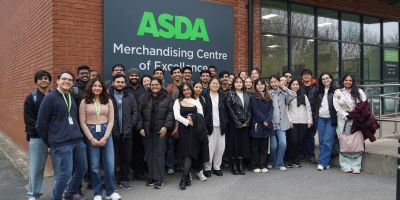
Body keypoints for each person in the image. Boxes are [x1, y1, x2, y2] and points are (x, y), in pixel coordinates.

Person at [36, 71, 87, 200]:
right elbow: (41, 124)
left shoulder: (71, 97)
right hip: (61, 143)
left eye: (70, 80)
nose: (67, 81)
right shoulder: (50, 98)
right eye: (64, 79)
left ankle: (69, 194)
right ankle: (56, 197)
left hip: (77, 141)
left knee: (82, 169)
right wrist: (50, 142)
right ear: (57, 81)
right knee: (66, 173)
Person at [79, 78, 121, 200]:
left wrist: (106, 137)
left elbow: (112, 120)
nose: (97, 88)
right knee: (94, 166)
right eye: (94, 85)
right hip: (91, 132)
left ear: (102, 88)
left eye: (99, 86)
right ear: (90, 87)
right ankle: (97, 193)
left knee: (109, 165)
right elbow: (82, 122)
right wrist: (91, 138)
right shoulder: (84, 102)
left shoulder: (108, 101)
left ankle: (110, 192)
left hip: (106, 132)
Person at [137, 77, 174, 189]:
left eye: (156, 84)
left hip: (161, 131)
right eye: (152, 85)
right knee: (149, 154)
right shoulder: (143, 97)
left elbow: (170, 113)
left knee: (159, 154)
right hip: (147, 131)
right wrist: (140, 128)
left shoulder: (167, 97)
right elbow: (138, 114)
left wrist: (166, 127)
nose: (154, 86)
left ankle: (159, 179)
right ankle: (152, 177)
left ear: (161, 85)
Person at [24, 70, 52, 200]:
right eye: (40, 79)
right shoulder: (31, 98)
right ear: (36, 81)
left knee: (60, 168)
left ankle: (59, 192)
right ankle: (33, 194)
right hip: (37, 138)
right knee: (36, 169)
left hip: (55, 138)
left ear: (50, 80)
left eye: (46, 78)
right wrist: (43, 132)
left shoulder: (55, 96)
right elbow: (29, 120)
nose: (43, 80)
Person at [173, 83, 205, 190]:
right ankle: (186, 177)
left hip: (194, 131)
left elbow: (201, 116)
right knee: (185, 152)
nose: (186, 91)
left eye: (188, 89)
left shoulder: (197, 102)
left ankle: (184, 177)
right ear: (182, 91)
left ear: (191, 90)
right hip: (183, 131)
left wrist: (194, 119)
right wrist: (188, 122)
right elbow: (176, 116)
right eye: (184, 90)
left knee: (189, 153)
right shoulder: (177, 101)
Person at [109, 74, 138, 190]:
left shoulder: (129, 96)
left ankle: (123, 179)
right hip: (112, 133)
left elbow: (135, 112)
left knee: (126, 158)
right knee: (112, 158)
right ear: (113, 83)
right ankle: (111, 181)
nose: (120, 84)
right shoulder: (107, 96)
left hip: (127, 133)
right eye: (118, 82)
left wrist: (130, 127)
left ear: (125, 84)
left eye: (122, 82)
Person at [333, 74, 367, 174]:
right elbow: (336, 106)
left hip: (357, 121)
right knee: (345, 142)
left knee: (357, 142)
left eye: (350, 80)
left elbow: (364, 104)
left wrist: (355, 115)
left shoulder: (359, 91)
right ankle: (345, 165)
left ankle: (356, 165)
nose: (348, 82)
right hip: (344, 120)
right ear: (343, 81)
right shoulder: (338, 92)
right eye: (346, 80)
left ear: (353, 81)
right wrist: (346, 115)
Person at [268, 75, 296, 171]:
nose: (273, 84)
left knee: (283, 143)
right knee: (273, 145)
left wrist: (283, 87)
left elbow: (294, 95)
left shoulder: (284, 94)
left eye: (275, 81)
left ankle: (279, 163)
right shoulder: (268, 94)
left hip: (281, 123)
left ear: (279, 82)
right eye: (271, 82)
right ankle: (271, 161)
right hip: (271, 123)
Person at [226, 76, 251, 175]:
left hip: (245, 124)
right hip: (234, 124)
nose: (239, 84)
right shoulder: (230, 94)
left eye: (240, 82)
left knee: (243, 145)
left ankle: (240, 165)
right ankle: (234, 166)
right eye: (236, 82)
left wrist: (247, 122)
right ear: (233, 84)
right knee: (234, 145)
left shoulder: (247, 95)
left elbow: (249, 110)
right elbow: (230, 110)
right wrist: (238, 123)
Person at [203, 78, 228, 177]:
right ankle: (207, 168)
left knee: (220, 148)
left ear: (219, 85)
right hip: (210, 125)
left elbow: (226, 110)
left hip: (221, 125)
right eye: (213, 83)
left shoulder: (223, 96)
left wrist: (225, 122)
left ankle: (217, 167)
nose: (215, 85)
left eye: (217, 83)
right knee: (210, 148)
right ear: (209, 85)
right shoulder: (204, 95)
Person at [126, 68, 147, 181]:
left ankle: (139, 172)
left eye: (136, 75)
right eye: (132, 75)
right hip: (127, 123)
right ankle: (128, 172)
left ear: (139, 77)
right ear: (128, 77)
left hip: (140, 123)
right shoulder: (125, 89)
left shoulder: (143, 89)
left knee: (139, 149)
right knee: (128, 149)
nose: (134, 77)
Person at [287, 79, 312, 168]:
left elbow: (308, 109)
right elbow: (286, 110)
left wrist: (309, 121)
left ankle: (296, 160)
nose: (295, 86)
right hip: (292, 122)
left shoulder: (304, 96)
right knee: (293, 141)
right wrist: (289, 120)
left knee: (299, 142)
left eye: (297, 84)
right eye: (293, 84)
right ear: (290, 86)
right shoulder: (288, 96)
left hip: (303, 122)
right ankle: (289, 159)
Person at [249, 79, 273, 173]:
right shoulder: (253, 97)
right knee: (255, 147)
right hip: (257, 124)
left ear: (265, 86)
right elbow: (255, 110)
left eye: (262, 84)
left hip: (266, 124)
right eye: (258, 85)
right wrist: (263, 120)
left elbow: (271, 109)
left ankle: (263, 165)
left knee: (264, 146)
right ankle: (254, 165)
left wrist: (268, 120)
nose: (260, 86)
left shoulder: (268, 97)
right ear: (255, 86)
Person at [315, 73, 337, 171]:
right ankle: (326, 162)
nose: (325, 80)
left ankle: (321, 162)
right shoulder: (318, 91)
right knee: (321, 141)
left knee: (327, 141)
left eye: (327, 78)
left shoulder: (336, 91)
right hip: (320, 118)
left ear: (331, 79)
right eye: (323, 79)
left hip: (331, 119)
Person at [300, 69, 318, 164]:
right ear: (302, 77)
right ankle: (303, 154)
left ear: (311, 76)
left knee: (311, 136)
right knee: (302, 135)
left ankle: (310, 155)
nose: (306, 76)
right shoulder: (299, 87)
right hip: (302, 115)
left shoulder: (316, 87)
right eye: (304, 74)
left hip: (313, 115)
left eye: (308, 74)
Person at [192, 82, 209, 181]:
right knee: (191, 150)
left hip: (202, 129)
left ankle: (199, 171)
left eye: (200, 87)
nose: (198, 89)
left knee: (201, 151)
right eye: (196, 87)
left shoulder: (203, 99)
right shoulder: (189, 99)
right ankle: (189, 171)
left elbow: (207, 113)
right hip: (191, 129)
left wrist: (204, 125)